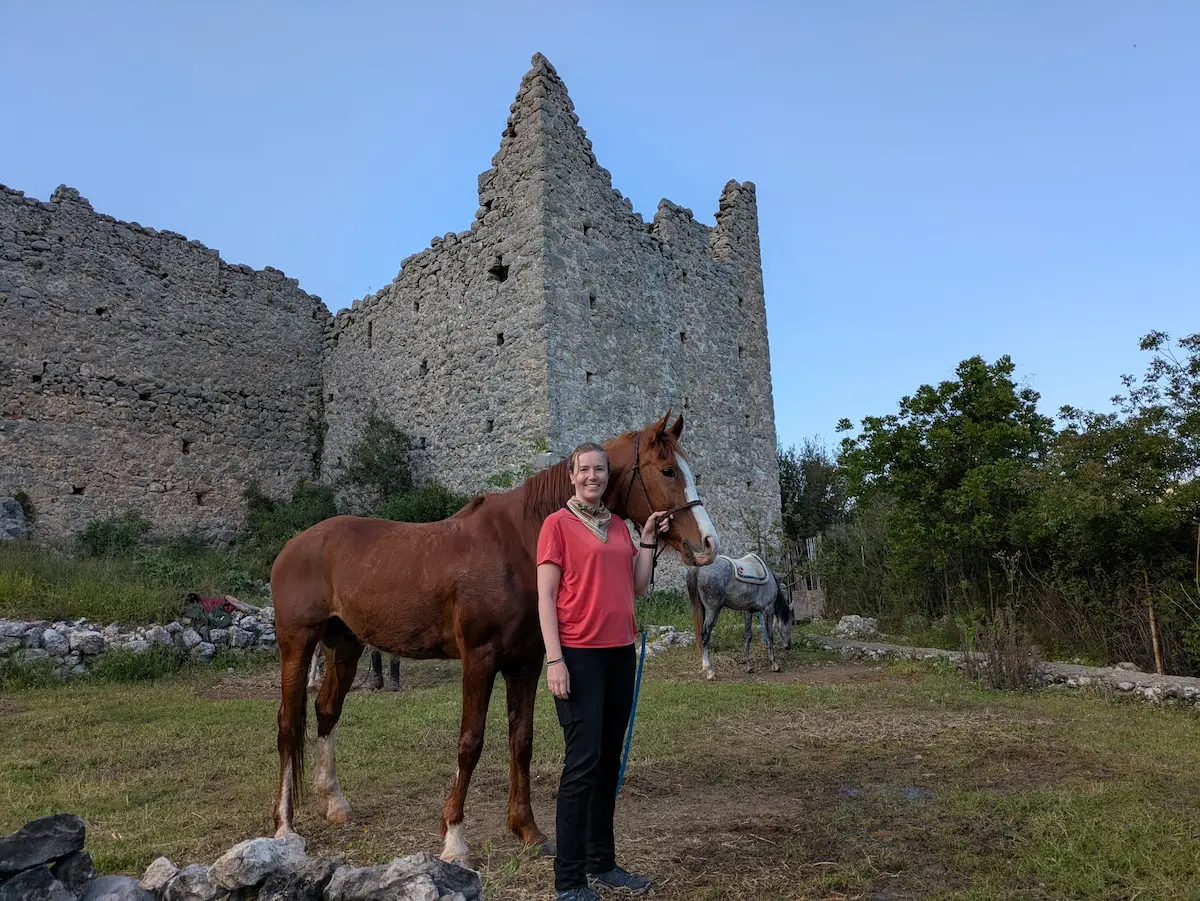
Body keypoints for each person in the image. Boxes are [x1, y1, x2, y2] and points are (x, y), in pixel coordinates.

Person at [537, 442, 671, 900]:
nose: (592, 476)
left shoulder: (617, 527)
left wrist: (648, 540)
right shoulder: (556, 525)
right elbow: (546, 599)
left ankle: (603, 863)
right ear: (572, 475)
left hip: (619, 656)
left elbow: (637, 585)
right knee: (582, 765)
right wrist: (555, 659)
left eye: (599, 470)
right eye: (584, 470)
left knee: (608, 764)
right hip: (578, 656)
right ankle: (569, 882)